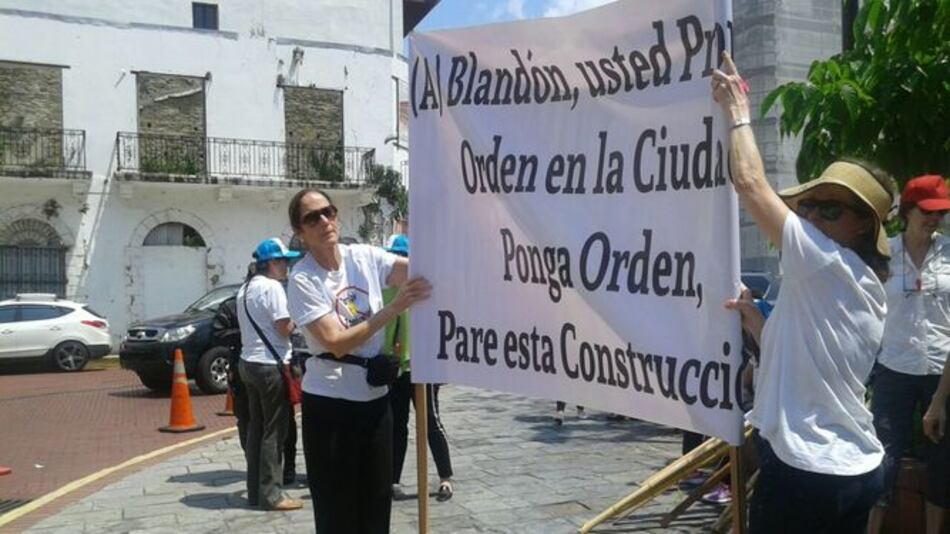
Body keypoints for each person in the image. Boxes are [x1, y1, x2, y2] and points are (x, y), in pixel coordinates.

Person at [713, 51, 895, 533]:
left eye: (830, 210)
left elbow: (750, 182)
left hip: (806, 471)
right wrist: (758, 323)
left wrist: (737, 112)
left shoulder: (824, 263)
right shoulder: (859, 284)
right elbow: (812, 359)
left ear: (862, 226)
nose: (811, 217)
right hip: (854, 468)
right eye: (810, 206)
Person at [286, 189, 431, 533]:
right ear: (300, 232)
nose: (324, 221)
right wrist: (393, 308)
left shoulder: (363, 256)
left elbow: (416, 272)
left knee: (377, 504)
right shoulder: (303, 279)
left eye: (328, 212)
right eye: (312, 218)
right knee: (338, 512)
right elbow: (335, 342)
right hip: (330, 405)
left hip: (375, 400)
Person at [867, 175, 950, 534]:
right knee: (882, 457)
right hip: (893, 367)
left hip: (941, 371)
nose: (934, 220)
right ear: (907, 211)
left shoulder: (949, 253)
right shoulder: (884, 252)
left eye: (941, 213)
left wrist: (940, 399)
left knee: (943, 463)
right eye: (927, 212)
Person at [384, 234, 455, 503]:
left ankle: (445, 477)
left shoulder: (428, 292)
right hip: (398, 370)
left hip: (423, 367)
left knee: (430, 423)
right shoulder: (387, 292)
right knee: (397, 425)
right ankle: (392, 480)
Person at [236, 238, 304, 511]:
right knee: (274, 432)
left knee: (256, 429)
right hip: (269, 365)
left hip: (248, 363)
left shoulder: (245, 288)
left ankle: (256, 492)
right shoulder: (272, 288)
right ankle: (272, 495)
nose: (287, 266)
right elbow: (283, 328)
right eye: (284, 261)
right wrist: (299, 318)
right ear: (272, 263)